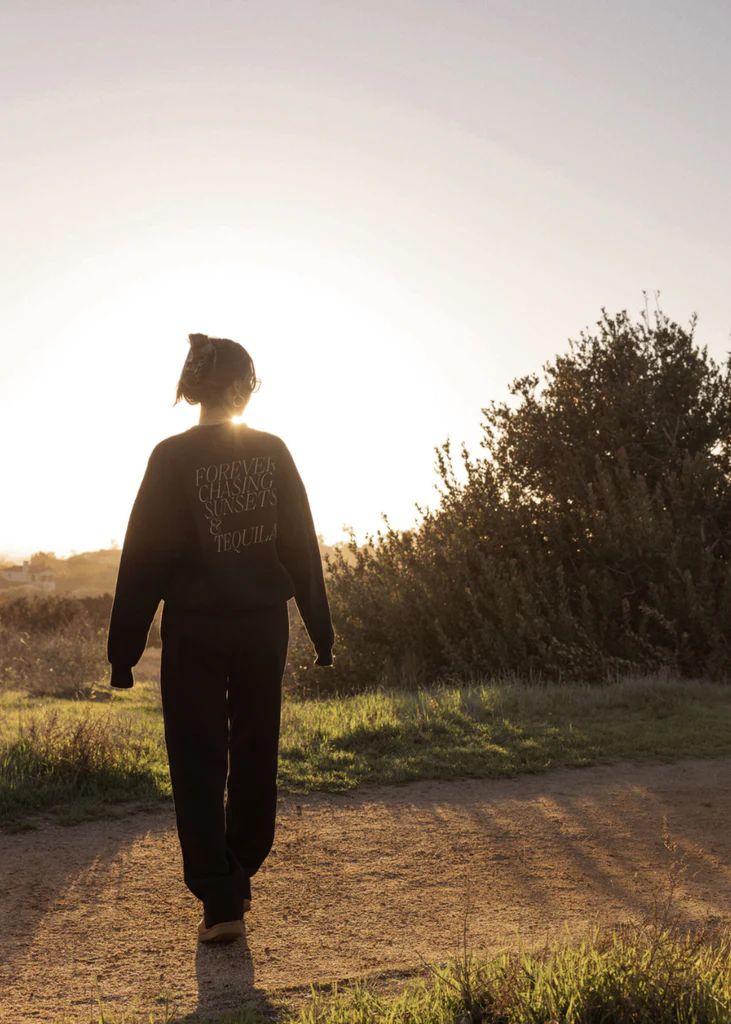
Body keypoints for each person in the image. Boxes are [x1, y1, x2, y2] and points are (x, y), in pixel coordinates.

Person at [107, 332, 335, 944]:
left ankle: (219, 895)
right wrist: (321, 631)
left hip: (195, 631)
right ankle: (241, 868)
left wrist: (124, 652)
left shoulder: (169, 458)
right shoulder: (273, 450)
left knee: (197, 757)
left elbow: (143, 560)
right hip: (263, 626)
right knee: (258, 748)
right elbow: (302, 548)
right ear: (237, 388)